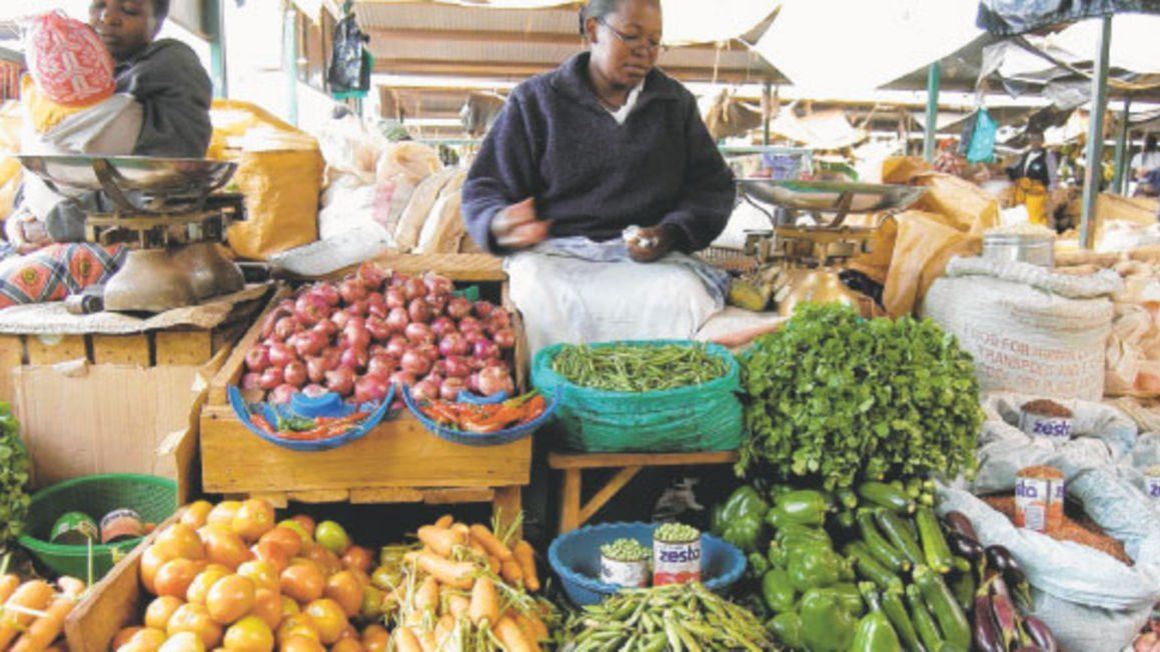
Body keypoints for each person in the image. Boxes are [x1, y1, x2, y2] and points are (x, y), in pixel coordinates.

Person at [461, 0, 736, 353]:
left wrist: (672, 232)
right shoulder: (536, 101)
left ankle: (652, 403)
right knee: (536, 292)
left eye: (654, 42)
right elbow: (485, 186)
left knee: (683, 295)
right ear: (592, 29)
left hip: (650, 261)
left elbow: (711, 188)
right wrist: (497, 223)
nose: (645, 53)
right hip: (556, 256)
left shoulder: (674, 104)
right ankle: (559, 402)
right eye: (631, 36)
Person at [1005, 130, 1058, 227]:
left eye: (1037, 139)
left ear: (1042, 141)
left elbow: (1052, 174)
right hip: (1022, 191)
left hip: (1037, 192)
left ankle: (1037, 235)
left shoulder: (1047, 156)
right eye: (1032, 139)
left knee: (1035, 217)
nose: (1034, 142)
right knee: (1020, 215)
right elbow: (1013, 167)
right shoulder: (1025, 155)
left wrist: (1052, 191)